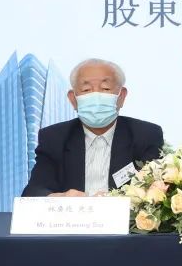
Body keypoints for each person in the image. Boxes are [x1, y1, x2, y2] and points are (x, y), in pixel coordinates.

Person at [22, 58, 163, 197]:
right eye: (86, 89)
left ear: (122, 96)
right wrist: (61, 198)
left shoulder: (146, 135)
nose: (96, 96)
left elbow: (156, 189)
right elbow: (35, 190)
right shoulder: (54, 138)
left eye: (105, 88)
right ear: (73, 99)